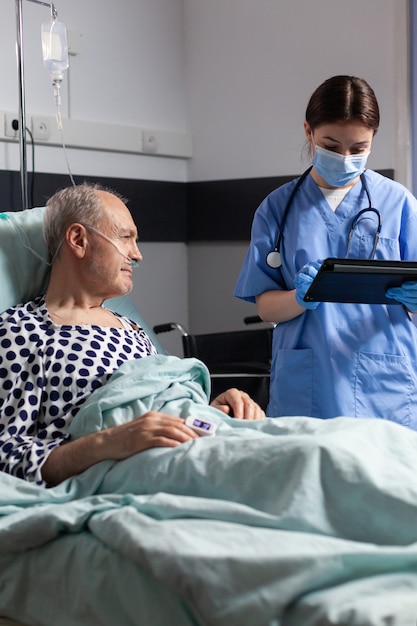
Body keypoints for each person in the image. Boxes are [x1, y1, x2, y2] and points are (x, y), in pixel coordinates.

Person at [0, 183, 264, 487]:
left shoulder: (132, 329)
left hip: (196, 446)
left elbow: (158, 405)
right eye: (126, 237)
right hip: (139, 471)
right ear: (78, 239)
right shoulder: (24, 331)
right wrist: (109, 442)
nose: (137, 255)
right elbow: (7, 458)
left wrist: (209, 412)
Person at [234, 74, 417, 426]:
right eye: (332, 146)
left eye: (358, 148)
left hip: (384, 381)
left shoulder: (399, 204)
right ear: (309, 132)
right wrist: (299, 298)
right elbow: (265, 306)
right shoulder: (277, 208)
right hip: (308, 381)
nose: (345, 157)